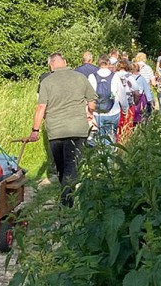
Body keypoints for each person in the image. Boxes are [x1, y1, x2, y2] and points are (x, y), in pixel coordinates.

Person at [28, 52, 96, 207]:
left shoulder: (47, 82)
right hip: (77, 129)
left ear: (51, 65)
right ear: (65, 62)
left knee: (62, 167)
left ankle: (66, 201)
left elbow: (40, 108)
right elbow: (92, 102)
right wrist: (90, 113)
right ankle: (67, 199)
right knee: (71, 165)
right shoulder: (80, 78)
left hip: (56, 131)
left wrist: (35, 130)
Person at [88, 55, 128, 145]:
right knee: (111, 137)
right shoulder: (115, 77)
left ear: (98, 63)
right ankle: (110, 155)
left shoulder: (92, 77)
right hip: (113, 111)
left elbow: (88, 96)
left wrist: (88, 111)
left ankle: (101, 156)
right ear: (108, 63)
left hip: (97, 113)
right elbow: (122, 95)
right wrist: (125, 110)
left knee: (99, 138)